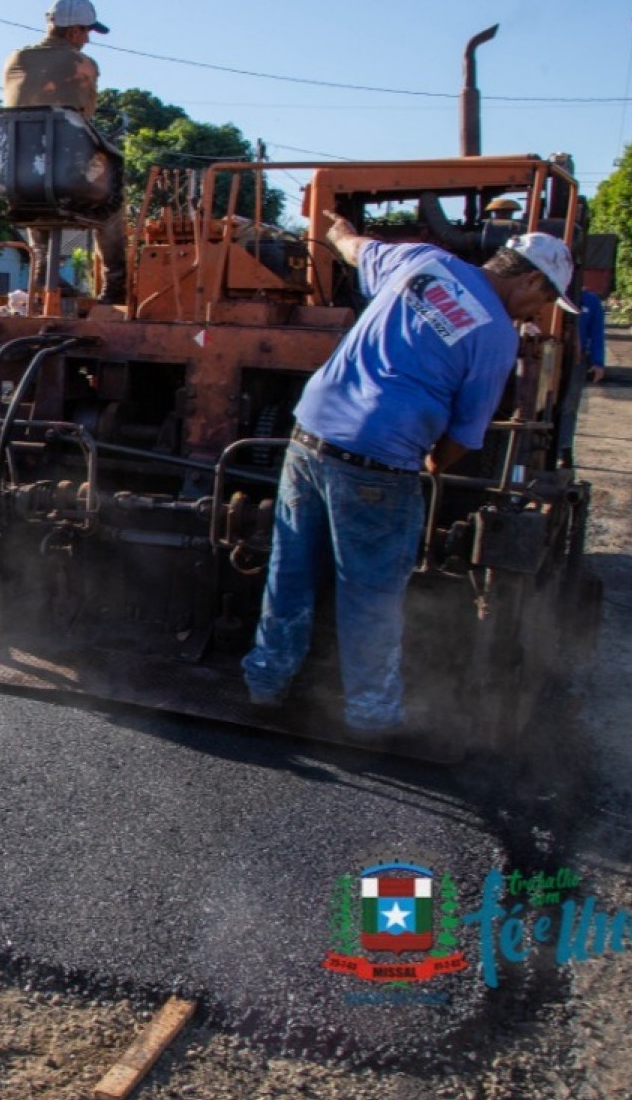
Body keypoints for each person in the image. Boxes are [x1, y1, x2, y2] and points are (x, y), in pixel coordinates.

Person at [241, 215, 577, 736]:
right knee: (370, 590)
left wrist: (334, 231)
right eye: (547, 300)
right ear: (532, 280)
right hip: (379, 460)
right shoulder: (495, 338)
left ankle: (265, 683)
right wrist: (428, 468)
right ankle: (371, 713)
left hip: (308, 434)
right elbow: (465, 437)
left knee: (290, 569)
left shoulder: (421, 260)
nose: (542, 312)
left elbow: (354, 249)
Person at [2, 0, 128, 305]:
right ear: (73, 32)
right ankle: (116, 284)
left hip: (14, 180)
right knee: (111, 203)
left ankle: (44, 272)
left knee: (35, 194)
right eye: (86, 32)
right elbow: (85, 113)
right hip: (69, 179)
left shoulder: (15, 59)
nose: (87, 40)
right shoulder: (82, 64)